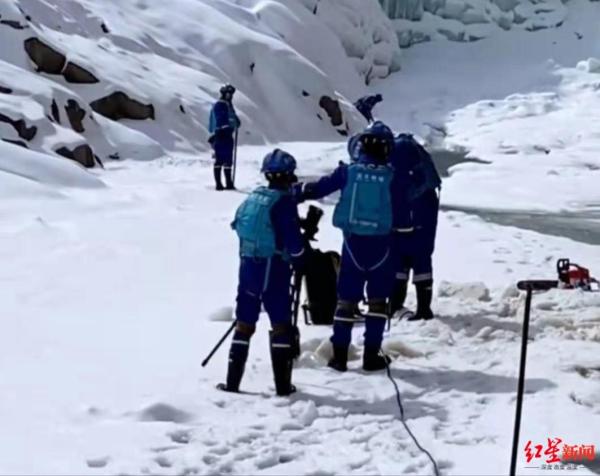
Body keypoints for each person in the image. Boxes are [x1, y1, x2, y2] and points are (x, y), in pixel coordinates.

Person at [300, 121, 395, 372]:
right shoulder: (392, 176)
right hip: (382, 247)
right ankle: (371, 356)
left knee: (345, 301)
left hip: (352, 245)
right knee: (377, 302)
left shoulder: (348, 172)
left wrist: (294, 191)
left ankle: (339, 356)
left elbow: (318, 188)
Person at [218, 149, 305, 396]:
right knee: (280, 323)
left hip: (248, 266)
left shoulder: (255, 197)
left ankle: (232, 383)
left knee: (245, 321)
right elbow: (294, 244)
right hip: (273, 268)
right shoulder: (283, 203)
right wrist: (301, 257)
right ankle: (283, 387)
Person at [389, 133, 441, 321]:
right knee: (422, 263)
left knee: (398, 264)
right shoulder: (424, 173)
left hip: (399, 227)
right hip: (424, 226)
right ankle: (424, 308)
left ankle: (395, 305)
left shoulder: (394, 170)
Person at [208, 84, 241, 190]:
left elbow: (232, 118)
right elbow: (221, 119)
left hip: (227, 134)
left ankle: (228, 183)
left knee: (228, 159)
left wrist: (236, 122)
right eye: (228, 93)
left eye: (231, 94)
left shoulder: (228, 105)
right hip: (221, 134)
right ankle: (219, 184)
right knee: (220, 158)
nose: (230, 96)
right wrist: (226, 126)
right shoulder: (220, 105)